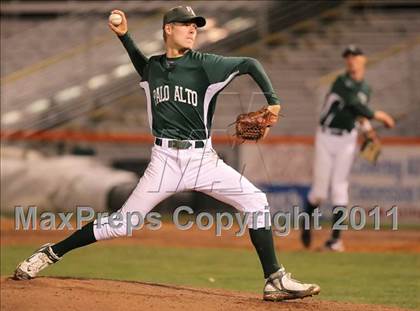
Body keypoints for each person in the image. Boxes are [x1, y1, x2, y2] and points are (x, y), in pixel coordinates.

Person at [14, 6, 320, 301]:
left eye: (195, 25)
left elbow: (251, 63)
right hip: (164, 161)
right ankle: (52, 252)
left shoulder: (206, 64)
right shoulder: (154, 68)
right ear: (168, 29)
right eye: (186, 24)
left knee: (255, 200)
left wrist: (274, 102)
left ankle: (274, 279)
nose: (192, 30)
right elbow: (141, 62)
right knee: (124, 224)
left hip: (203, 160)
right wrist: (124, 35)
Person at [301, 45, 395, 252]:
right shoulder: (341, 82)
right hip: (326, 137)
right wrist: (381, 116)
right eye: (348, 57)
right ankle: (305, 226)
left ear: (363, 60)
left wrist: (368, 130)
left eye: (355, 56)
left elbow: (359, 115)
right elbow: (355, 105)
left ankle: (335, 240)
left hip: (347, 139)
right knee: (319, 193)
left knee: (340, 187)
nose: (351, 60)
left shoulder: (366, 88)